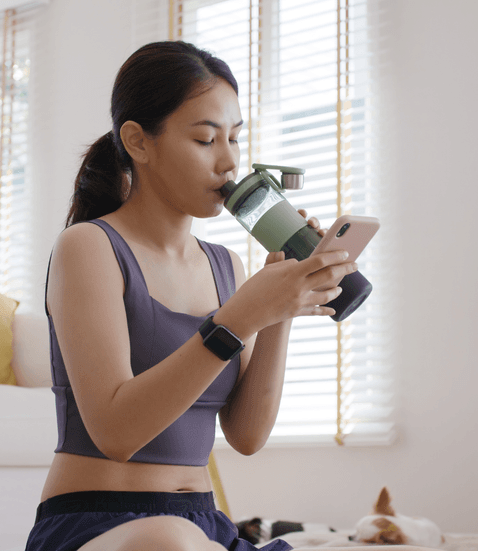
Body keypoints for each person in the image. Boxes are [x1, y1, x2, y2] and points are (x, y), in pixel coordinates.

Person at [24, 41, 357, 551]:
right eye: (205, 139)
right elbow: (115, 432)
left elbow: (246, 436)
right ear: (138, 141)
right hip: (97, 522)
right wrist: (239, 319)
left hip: (204, 523)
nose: (228, 163)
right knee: (170, 539)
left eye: (235, 139)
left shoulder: (227, 265)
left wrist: (279, 309)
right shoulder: (89, 247)